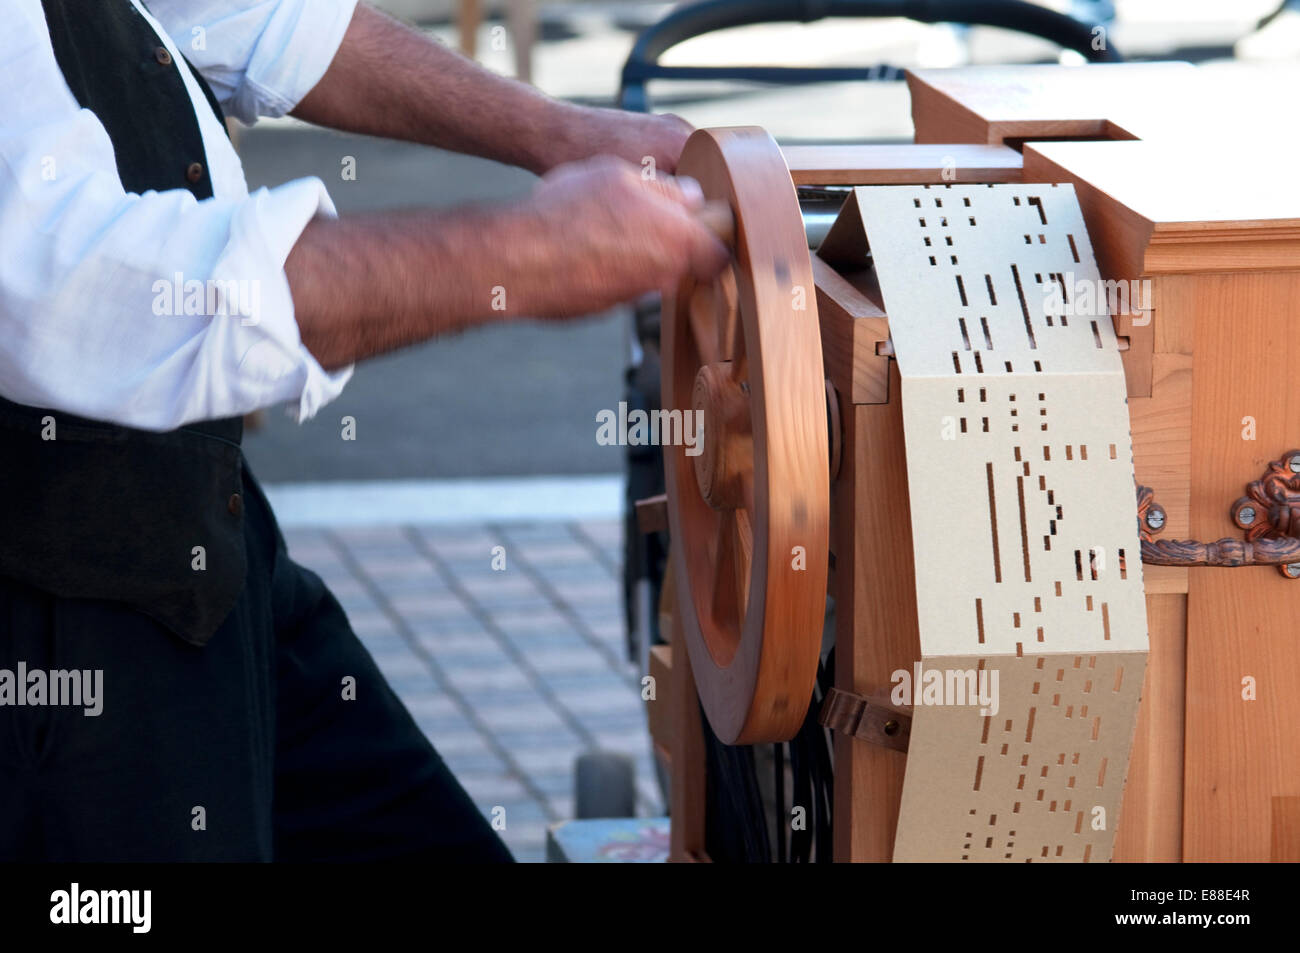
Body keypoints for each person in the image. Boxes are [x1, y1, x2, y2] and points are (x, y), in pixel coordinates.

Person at [0, 0, 728, 861]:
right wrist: (524, 254)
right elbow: (70, 289)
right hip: (53, 608)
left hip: (203, 528)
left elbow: (237, 15)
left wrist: (558, 134)